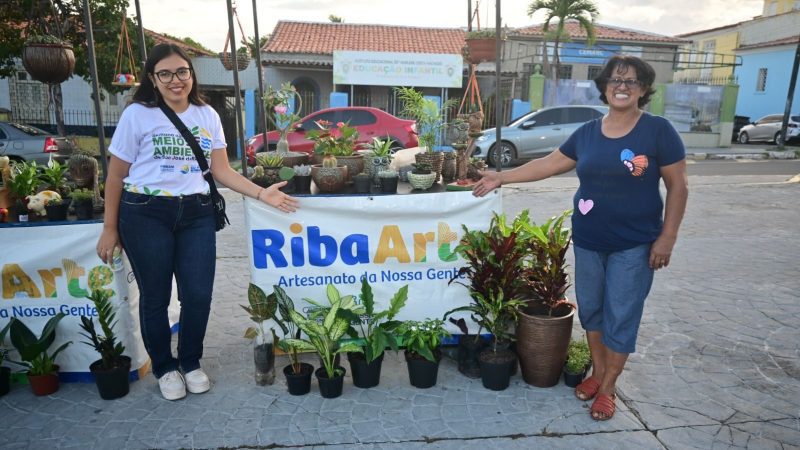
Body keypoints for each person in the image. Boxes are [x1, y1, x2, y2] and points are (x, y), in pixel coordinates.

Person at [473, 55, 688, 420]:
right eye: (615, 80)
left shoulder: (657, 130)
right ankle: (598, 373)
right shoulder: (588, 132)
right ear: (604, 88)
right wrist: (501, 177)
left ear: (644, 89)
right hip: (589, 240)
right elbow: (548, 164)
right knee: (593, 313)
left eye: (631, 81)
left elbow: (678, 186)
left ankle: (607, 388)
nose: (622, 86)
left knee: (621, 315)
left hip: (635, 245)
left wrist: (667, 237)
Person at [95, 44, 299, 400]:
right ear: (153, 79)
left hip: (196, 213)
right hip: (145, 213)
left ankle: (189, 362)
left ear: (191, 74)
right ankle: (164, 367)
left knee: (198, 295)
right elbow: (115, 176)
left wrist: (260, 193)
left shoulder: (207, 115)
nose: (176, 80)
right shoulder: (138, 115)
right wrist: (110, 228)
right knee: (156, 296)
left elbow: (221, 170)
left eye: (182, 72)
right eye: (165, 74)